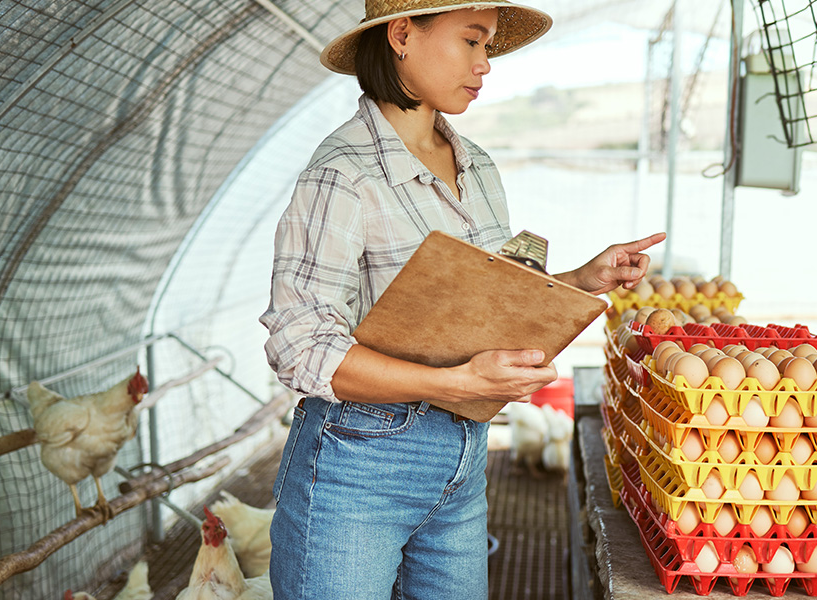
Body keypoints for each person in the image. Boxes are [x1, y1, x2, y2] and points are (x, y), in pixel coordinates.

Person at [259, 1, 665, 598]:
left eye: (489, 47)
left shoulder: (476, 165)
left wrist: (581, 280)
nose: (485, 64)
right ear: (401, 35)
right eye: (472, 42)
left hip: (463, 458)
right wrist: (457, 385)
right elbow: (300, 347)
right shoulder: (343, 176)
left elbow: (492, 298)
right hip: (357, 466)